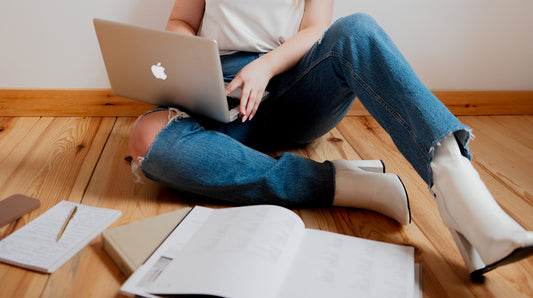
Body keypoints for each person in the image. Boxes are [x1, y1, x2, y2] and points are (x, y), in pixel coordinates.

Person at [129, 0, 533, 279]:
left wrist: (265, 67)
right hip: (216, 88)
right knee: (146, 138)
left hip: (290, 86)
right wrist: (187, 56)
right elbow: (181, 19)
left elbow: (316, 29)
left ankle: (464, 195)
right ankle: (347, 184)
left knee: (356, 30)